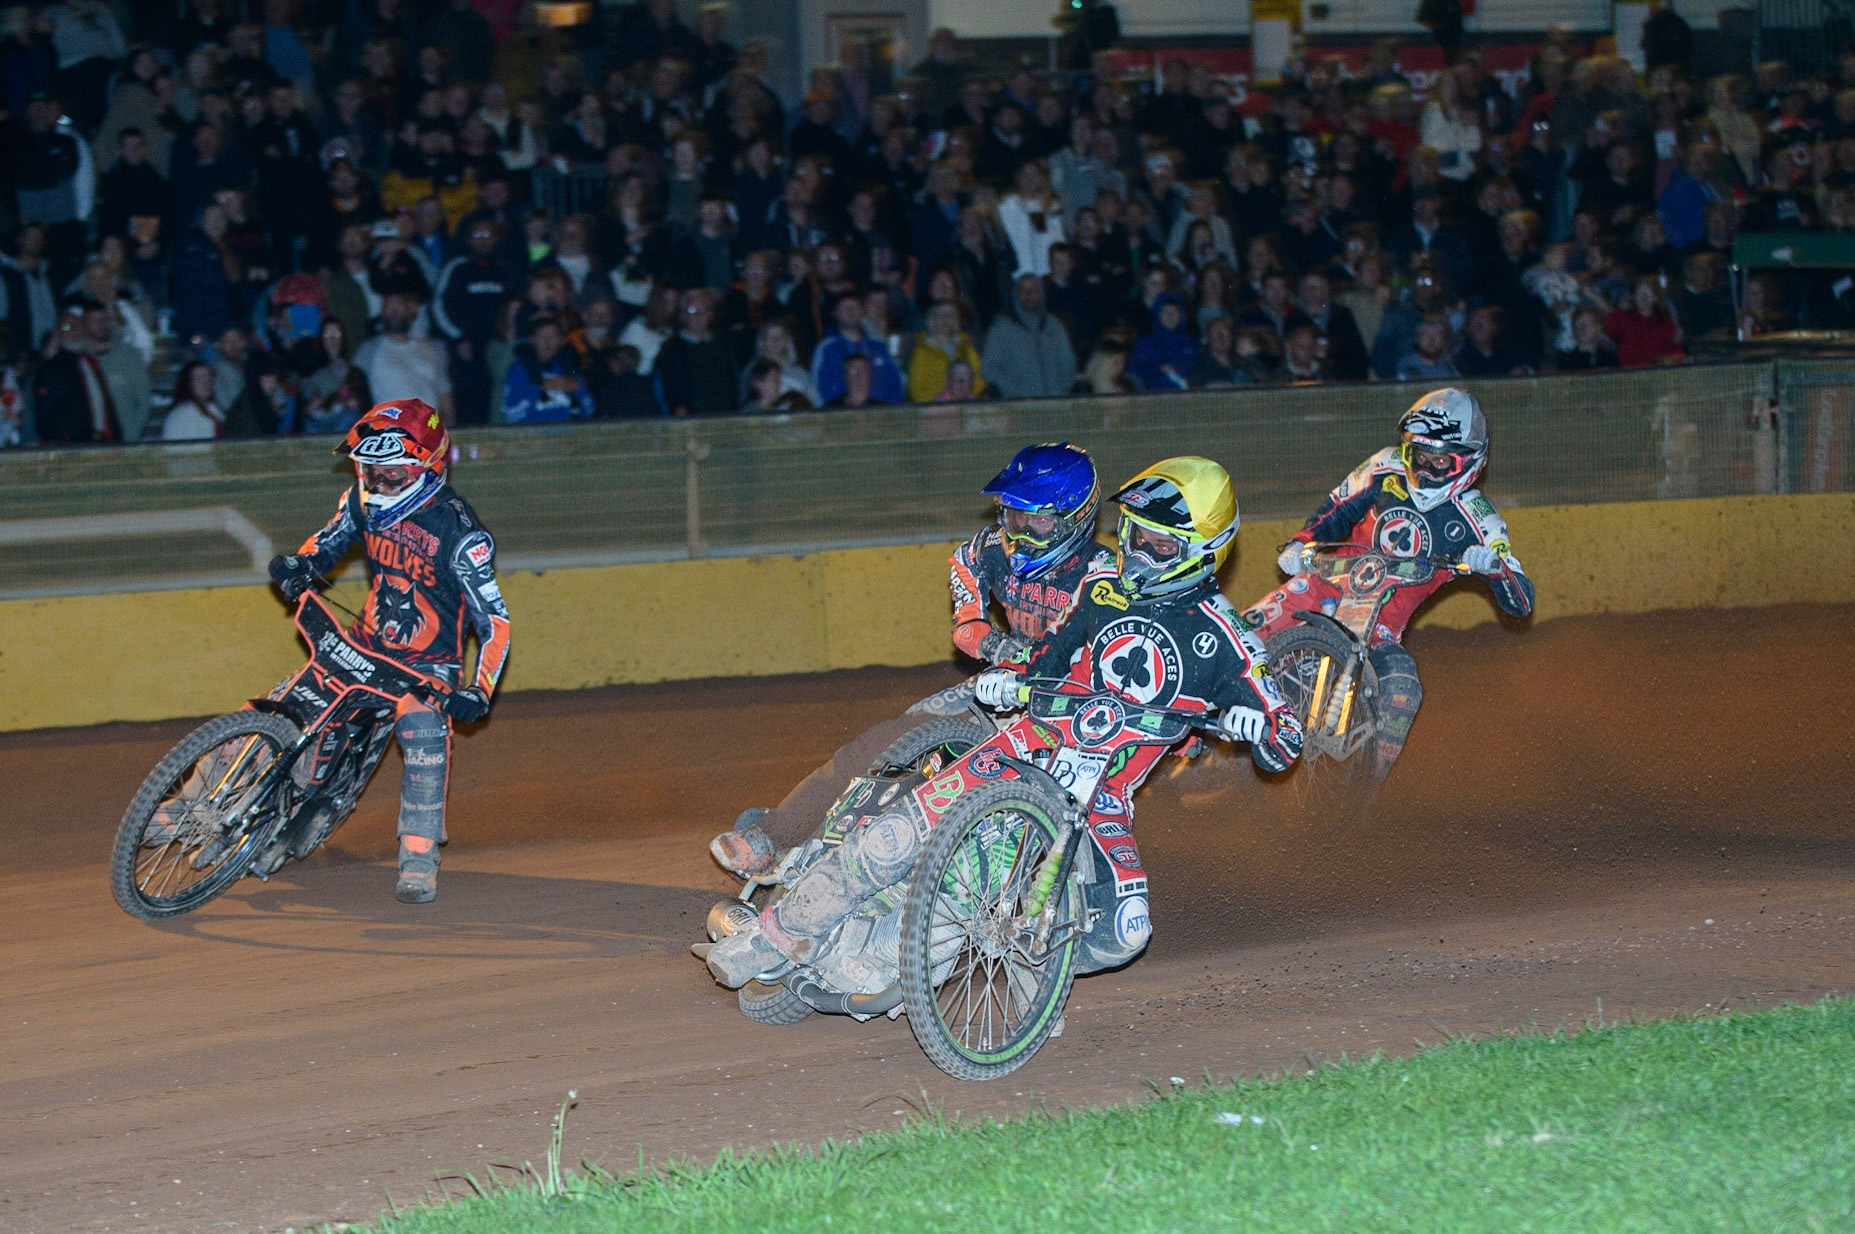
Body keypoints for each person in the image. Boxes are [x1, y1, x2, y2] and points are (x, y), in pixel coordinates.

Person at [701, 455, 1303, 987]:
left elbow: (1284, 735)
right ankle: (780, 890)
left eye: (1159, 545)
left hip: (1104, 777)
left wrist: (1252, 728)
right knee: (892, 760)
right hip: (1028, 717)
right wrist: (1006, 669)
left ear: (1205, 550)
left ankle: (1023, 970)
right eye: (1135, 534)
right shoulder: (1100, 588)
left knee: (1126, 931)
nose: (1139, 552)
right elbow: (1044, 655)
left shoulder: (1224, 636)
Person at [708, 443, 1117, 880]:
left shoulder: (1107, 577)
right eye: (1014, 515)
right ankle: (778, 833)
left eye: (1036, 519)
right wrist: (993, 646)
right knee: (887, 740)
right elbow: (966, 626)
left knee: (1023, 810)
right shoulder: (988, 550)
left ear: (1074, 518)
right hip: (1004, 683)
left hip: (1071, 712)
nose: (1020, 531)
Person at [266, 401, 510, 904]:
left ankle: (418, 856)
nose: (378, 483)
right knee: (288, 703)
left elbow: (495, 622)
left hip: (428, 665)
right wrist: (300, 562)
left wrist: (479, 690)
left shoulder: (461, 534)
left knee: (422, 728)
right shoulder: (360, 499)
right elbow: (328, 543)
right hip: (366, 642)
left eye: (391, 473)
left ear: (428, 466)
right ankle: (188, 808)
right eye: (371, 470)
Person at [1244, 388, 1535, 774]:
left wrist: (1495, 568)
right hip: (1324, 587)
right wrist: (1301, 542)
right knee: (1245, 631)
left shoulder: (1478, 519)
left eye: (1440, 462)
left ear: (1469, 462)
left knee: (1403, 690)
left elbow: (1522, 600)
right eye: (1420, 457)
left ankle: (1370, 788)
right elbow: (1337, 507)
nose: (1426, 470)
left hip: (1379, 629)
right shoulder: (1385, 467)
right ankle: (1193, 720)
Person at [354, 291, 454, 422]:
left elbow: (444, 392)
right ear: (382, 314)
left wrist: (451, 428)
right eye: (389, 307)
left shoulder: (433, 349)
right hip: (391, 434)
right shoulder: (369, 350)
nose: (394, 311)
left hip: (428, 432)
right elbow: (352, 387)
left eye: (399, 306)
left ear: (410, 312)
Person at [981, 274, 1078, 400]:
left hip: (1056, 405)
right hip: (1020, 409)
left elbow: (1068, 363)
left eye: (1034, 289)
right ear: (1016, 294)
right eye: (1023, 290)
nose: (1028, 294)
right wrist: (1016, 393)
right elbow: (989, 369)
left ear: (1041, 294)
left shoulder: (1054, 326)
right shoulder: (1001, 329)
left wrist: (1061, 390)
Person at [502, 315, 594, 423]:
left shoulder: (569, 367)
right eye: (541, 336)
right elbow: (512, 414)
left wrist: (578, 390)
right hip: (534, 435)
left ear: (561, 340)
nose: (547, 341)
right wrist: (540, 387)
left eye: (553, 336)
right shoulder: (519, 370)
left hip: (569, 434)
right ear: (532, 339)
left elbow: (589, 410)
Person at [907, 301, 985, 403]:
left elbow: (980, 377)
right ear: (931, 320)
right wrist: (939, 403)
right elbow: (916, 389)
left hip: (966, 404)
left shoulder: (966, 346)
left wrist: (965, 395)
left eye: (949, 315)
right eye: (939, 315)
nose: (944, 319)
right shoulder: (921, 352)